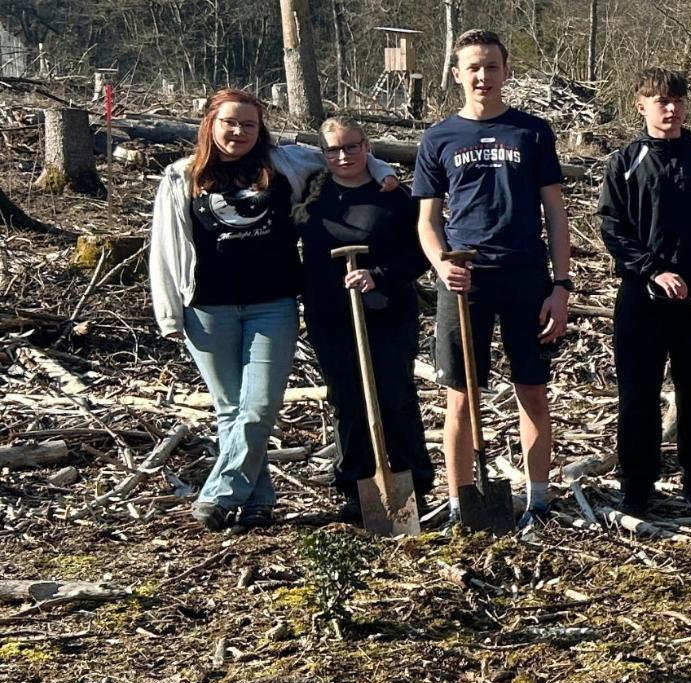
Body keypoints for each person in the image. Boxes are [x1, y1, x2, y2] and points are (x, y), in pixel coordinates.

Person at [152, 90, 392, 531]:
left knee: (259, 406)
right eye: (230, 122)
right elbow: (166, 250)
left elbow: (340, 155)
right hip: (206, 309)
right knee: (231, 409)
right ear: (210, 123)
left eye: (249, 124)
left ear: (260, 128)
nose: (239, 132)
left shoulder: (285, 163)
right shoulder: (180, 176)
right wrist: (169, 314)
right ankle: (257, 500)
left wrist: (382, 168)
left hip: (273, 303)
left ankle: (219, 494)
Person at [414, 29, 573, 532]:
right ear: (457, 74)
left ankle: (539, 500)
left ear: (506, 71)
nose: (483, 77)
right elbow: (427, 221)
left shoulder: (531, 132)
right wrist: (442, 263)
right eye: (473, 68)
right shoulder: (438, 137)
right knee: (460, 397)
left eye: (492, 67)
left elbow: (555, 212)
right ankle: (463, 502)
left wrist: (561, 286)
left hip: (525, 277)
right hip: (464, 284)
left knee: (533, 389)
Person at [597, 68, 691, 514]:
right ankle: (638, 486)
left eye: (677, 100)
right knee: (637, 393)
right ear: (641, 106)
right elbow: (612, 227)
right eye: (661, 101)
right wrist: (652, 270)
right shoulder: (625, 162)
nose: (671, 108)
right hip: (643, 298)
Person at [294, 117, 431, 526]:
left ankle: (413, 487)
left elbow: (420, 252)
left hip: (389, 311)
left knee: (395, 397)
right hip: (330, 315)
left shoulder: (393, 197)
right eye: (333, 150)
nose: (343, 156)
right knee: (348, 401)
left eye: (352, 147)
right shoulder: (312, 195)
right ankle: (356, 488)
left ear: (367, 146)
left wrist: (380, 275)